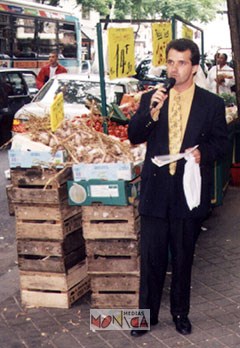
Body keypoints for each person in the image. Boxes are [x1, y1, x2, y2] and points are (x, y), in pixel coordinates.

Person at [128, 38, 228, 337]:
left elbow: (222, 143)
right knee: (152, 258)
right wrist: (152, 112)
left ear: (194, 67)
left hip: (188, 190)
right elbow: (134, 135)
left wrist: (202, 153)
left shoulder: (211, 104)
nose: (174, 68)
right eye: (170, 61)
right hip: (156, 191)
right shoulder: (152, 98)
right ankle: (146, 317)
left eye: (181, 62)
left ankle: (180, 314)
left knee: (183, 257)